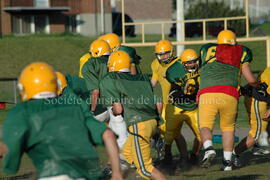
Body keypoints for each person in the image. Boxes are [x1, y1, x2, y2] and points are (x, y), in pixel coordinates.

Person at [2, 62, 123, 180]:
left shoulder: (23, 111)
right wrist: (117, 174)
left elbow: (10, 148)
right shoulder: (76, 107)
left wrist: (10, 162)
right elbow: (108, 135)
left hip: (53, 174)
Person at [198, 29, 261, 171]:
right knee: (228, 128)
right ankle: (227, 163)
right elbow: (250, 80)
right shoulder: (242, 51)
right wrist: (258, 85)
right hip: (229, 94)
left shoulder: (206, 49)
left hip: (208, 93)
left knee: (205, 125)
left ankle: (208, 148)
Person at [99, 50, 167, 180]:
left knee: (145, 169)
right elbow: (157, 102)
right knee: (126, 157)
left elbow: (118, 110)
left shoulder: (111, 79)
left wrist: (113, 110)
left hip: (138, 124)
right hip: (152, 121)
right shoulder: (141, 78)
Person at [82, 39, 128, 150]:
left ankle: (88, 161)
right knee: (119, 136)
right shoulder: (115, 59)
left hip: (101, 106)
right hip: (120, 103)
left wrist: (92, 110)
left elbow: (95, 91)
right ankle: (119, 161)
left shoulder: (90, 64)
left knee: (84, 133)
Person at [164, 49, 202, 166]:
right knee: (168, 135)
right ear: (183, 63)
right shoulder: (174, 70)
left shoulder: (203, 68)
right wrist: (182, 93)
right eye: (189, 63)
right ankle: (167, 157)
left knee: (201, 135)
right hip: (176, 107)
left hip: (193, 108)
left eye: (194, 62)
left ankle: (194, 157)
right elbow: (173, 91)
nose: (192, 65)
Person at [232, 67, 270, 167]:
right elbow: (264, 90)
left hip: (256, 97)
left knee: (265, 129)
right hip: (258, 100)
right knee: (256, 133)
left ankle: (258, 146)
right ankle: (232, 155)